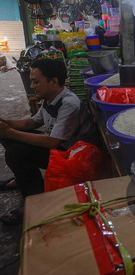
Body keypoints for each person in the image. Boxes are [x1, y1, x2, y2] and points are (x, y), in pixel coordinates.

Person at [0, 58, 99, 225]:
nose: (32, 86)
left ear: (54, 81)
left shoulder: (69, 104)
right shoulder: (49, 97)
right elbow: (32, 123)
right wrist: (6, 124)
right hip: (59, 144)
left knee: (15, 152)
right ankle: (22, 178)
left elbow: (51, 143)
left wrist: (10, 132)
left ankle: (37, 201)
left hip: (74, 156)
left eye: (36, 82)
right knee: (6, 136)